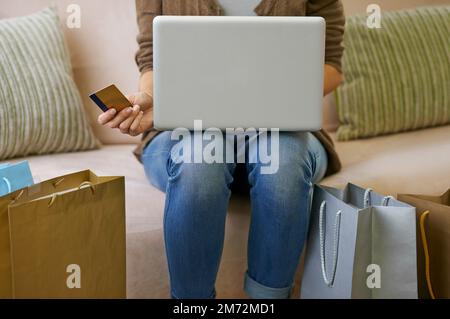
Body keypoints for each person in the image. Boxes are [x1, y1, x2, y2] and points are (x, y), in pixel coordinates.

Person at [98, 0, 345, 299]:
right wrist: (153, 99)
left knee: (283, 161)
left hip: (281, 129)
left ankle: (267, 300)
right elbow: (151, 58)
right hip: (188, 130)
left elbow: (331, 65)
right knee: (201, 158)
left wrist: (258, 93)